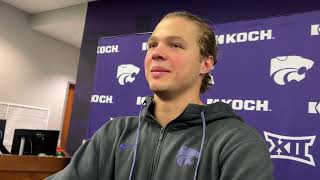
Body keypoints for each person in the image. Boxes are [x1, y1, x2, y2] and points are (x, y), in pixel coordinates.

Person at [47, 11, 273, 180]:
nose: (157, 53)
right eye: (152, 45)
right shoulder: (114, 134)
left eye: (175, 45)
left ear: (205, 63)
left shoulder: (237, 143)